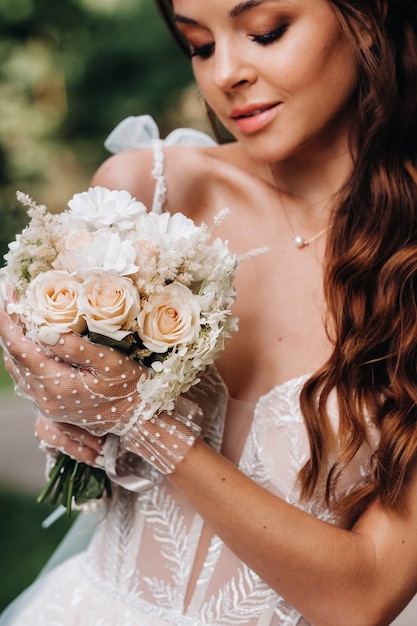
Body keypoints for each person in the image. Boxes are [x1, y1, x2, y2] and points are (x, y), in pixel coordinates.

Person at [1, 0, 417, 624]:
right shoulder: (151, 194)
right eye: (199, 45)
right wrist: (66, 414)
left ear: (366, 18)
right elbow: (80, 429)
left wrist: (143, 420)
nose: (225, 73)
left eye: (264, 32)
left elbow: (364, 596)